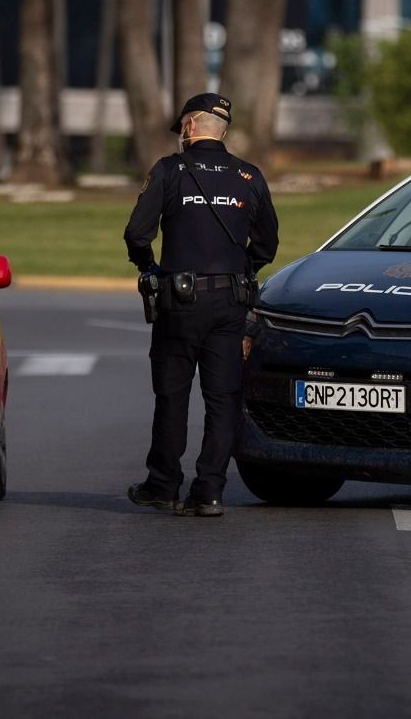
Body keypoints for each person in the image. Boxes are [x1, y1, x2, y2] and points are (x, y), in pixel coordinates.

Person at [122, 93, 279, 517]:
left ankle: (164, 485)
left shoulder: (171, 171)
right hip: (230, 301)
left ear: (189, 127)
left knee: (172, 395)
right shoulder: (249, 176)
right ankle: (209, 490)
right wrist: (241, 269)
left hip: (179, 300)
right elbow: (268, 242)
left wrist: (148, 266)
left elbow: (137, 233)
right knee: (222, 398)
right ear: (221, 130)